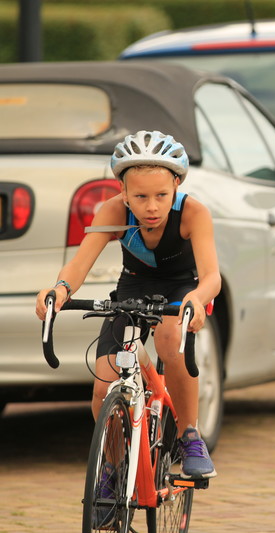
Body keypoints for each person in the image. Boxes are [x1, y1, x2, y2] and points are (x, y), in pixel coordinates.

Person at [35, 130, 221, 480]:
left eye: (161, 195)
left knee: (169, 339)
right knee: (103, 387)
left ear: (177, 184)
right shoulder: (112, 210)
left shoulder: (193, 213)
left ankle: (190, 436)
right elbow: (79, 264)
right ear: (123, 191)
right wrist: (60, 289)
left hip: (181, 289)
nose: (151, 207)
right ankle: (114, 467)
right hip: (133, 286)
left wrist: (197, 299)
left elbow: (212, 276)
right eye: (140, 196)